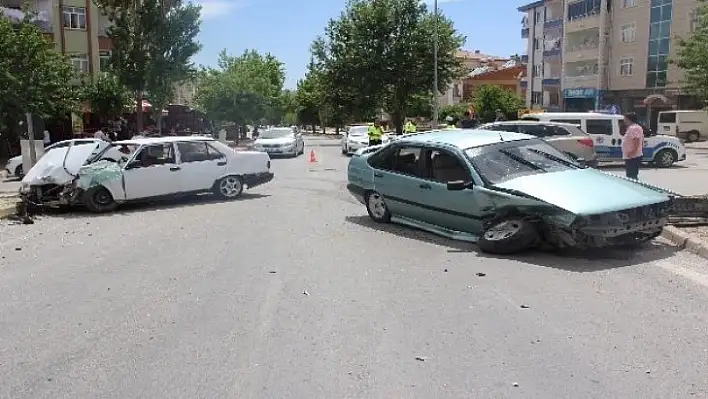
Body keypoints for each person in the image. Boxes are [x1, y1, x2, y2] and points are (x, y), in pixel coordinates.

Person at [621, 112, 645, 179]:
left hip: (632, 156)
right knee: (632, 174)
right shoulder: (636, 127)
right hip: (633, 155)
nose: (624, 120)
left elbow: (636, 140)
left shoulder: (633, 128)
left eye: (625, 119)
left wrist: (633, 152)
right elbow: (641, 141)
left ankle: (633, 188)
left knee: (631, 175)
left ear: (629, 119)